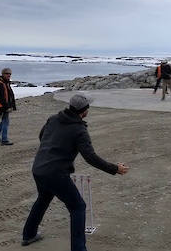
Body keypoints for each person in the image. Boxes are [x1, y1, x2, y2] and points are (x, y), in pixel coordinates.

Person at [22, 94, 129, 251]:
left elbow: (42, 136)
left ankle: (29, 234)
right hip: (56, 174)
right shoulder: (79, 130)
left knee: (43, 199)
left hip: (38, 169)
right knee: (78, 207)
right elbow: (90, 157)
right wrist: (115, 169)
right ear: (84, 111)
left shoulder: (53, 119)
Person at [0, 68, 16, 145]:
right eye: (7, 73)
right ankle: (4, 140)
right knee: (5, 122)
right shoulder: (0, 84)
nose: (9, 75)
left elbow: (10, 95)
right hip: (3, 107)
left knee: (3, 121)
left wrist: (13, 105)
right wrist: (7, 107)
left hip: (5, 106)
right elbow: (1, 97)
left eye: (10, 74)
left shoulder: (6, 83)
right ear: (3, 74)